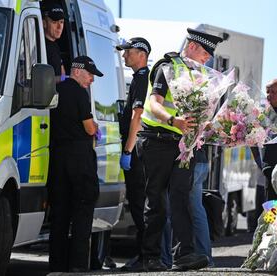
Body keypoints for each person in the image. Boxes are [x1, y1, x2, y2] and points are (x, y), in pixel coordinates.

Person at [137, 28, 224, 271]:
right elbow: (155, 103)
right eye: (206, 53)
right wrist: (172, 121)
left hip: (184, 144)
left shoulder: (199, 75)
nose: (208, 59)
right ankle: (151, 256)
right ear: (193, 46)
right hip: (158, 139)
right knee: (157, 201)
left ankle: (183, 254)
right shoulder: (168, 67)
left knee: (181, 196)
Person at [47, 56, 103, 272]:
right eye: (90, 75)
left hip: (58, 156)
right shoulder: (79, 93)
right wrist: (95, 126)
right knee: (82, 211)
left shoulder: (57, 89)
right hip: (79, 158)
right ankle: (78, 267)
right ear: (77, 71)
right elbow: (89, 128)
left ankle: (56, 265)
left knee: (60, 213)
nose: (91, 80)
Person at [115, 37, 151, 271]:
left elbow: (136, 118)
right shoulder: (143, 77)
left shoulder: (141, 78)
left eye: (128, 51)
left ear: (141, 54)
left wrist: (127, 150)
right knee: (141, 204)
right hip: (140, 150)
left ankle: (146, 256)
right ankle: (147, 254)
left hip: (137, 151)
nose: (124, 55)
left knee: (139, 205)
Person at [190, 147, 213, 265]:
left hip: (189, 162)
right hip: (201, 160)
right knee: (197, 211)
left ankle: (165, 258)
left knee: (173, 210)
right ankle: (205, 256)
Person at [42, 3, 66, 82]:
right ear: (44, 23)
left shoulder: (55, 46)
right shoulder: (39, 45)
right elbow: (42, 80)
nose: (59, 27)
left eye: (61, 22)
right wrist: (65, 79)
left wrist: (63, 78)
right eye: (54, 22)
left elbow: (62, 74)